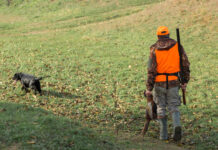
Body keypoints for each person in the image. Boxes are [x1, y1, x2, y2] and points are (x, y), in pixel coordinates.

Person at [146, 26, 190, 141]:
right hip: (174, 81)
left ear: (158, 36)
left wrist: (149, 88)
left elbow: (151, 69)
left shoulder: (154, 49)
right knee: (174, 106)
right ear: (168, 35)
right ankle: (176, 125)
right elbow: (185, 64)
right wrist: (185, 81)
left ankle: (163, 136)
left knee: (161, 107)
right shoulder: (177, 46)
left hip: (159, 83)